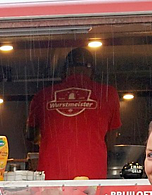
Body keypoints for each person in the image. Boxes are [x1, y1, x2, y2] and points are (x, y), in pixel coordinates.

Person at [27, 47, 121, 180]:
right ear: (91, 69)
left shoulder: (43, 96)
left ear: (65, 70)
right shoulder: (107, 94)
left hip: (51, 179)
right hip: (92, 177)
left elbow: (30, 135)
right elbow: (111, 142)